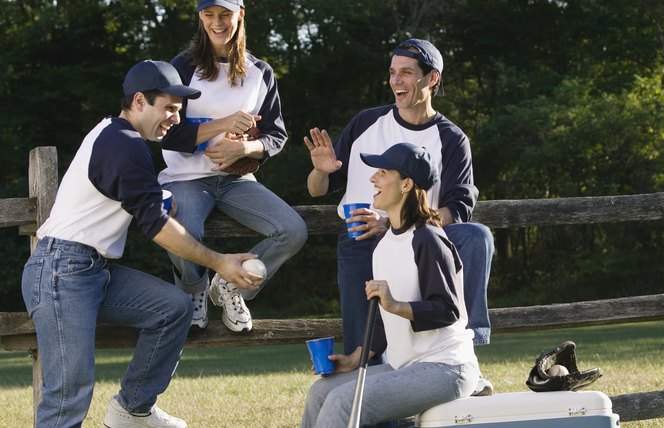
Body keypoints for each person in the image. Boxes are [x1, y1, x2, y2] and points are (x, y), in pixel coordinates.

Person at [21, 59, 259, 428]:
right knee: (68, 395)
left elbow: (133, 197)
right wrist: (218, 262)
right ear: (138, 101)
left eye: (178, 111)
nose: (175, 119)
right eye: (169, 108)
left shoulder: (115, 135)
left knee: (173, 308)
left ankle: (131, 409)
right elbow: (158, 228)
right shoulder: (124, 144)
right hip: (60, 272)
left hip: (89, 270)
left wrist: (163, 198)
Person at [304, 38, 495, 395]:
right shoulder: (366, 122)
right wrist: (321, 170)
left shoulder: (452, 139)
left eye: (406, 73)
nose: (396, 81)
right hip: (359, 237)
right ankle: (374, 399)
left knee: (475, 235)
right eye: (393, 73)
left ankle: (468, 354)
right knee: (366, 349)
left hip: (420, 238)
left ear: (431, 79)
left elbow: (458, 206)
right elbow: (318, 189)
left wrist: (398, 224)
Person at [301, 143, 480, 427]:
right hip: (405, 367)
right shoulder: (383, 246)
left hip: (447, 368)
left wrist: (395, 304)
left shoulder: (428, 239)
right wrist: (354, 359)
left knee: (343, 403)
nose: (373, 179)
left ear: (407, 184)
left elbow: (448, 310)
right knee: (322, 392)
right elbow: (385, 324)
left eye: (383, 172)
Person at [159, 0, 307, 332]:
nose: (217, 22)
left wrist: (244, 147)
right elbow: (166, 134)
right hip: (185, 178)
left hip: (237, 182)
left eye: (225, 14)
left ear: (240, 14)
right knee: (184, 231)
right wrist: (222, 123)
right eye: (209, 14)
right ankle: (193, 291)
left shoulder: (260, 72)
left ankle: (230, 286)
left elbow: (276, 137)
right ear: (200, 17)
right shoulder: (181, 67)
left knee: (293, 230)